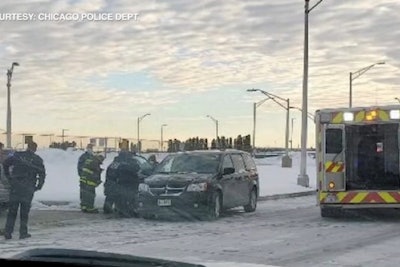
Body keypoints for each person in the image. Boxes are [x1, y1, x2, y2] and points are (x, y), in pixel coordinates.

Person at [3, 142, 45, 240]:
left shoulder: (17, 156)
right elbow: (42, 173)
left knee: (12, 212)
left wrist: (9, 177)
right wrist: (39, 185)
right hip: (28, 188)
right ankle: (23, 233)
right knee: (24, 212)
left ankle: (8, 232)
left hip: (16, 187)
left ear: (27, 147)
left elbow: (5, 164)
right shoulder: (37, 159)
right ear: (35, 148)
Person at [108, 147, 141, 217]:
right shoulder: (130, 162)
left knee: (122, 198)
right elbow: (136, 168)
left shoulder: (116, 162)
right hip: (129, 183)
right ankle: (129, 211)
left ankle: (122, 210)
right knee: (130, 198)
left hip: (120, 182)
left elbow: (112, 172)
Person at [77, 144, 104, 213]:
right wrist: (98, 180)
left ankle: (84, 206)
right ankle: (89, 208)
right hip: (89, 180)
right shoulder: (92, 160)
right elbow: (96, 172)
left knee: (84, 194)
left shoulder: (91, 159)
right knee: (90, 194)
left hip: (84, 179)